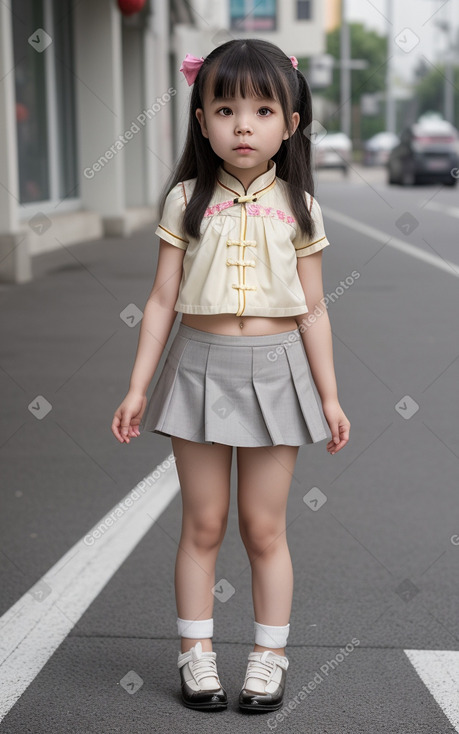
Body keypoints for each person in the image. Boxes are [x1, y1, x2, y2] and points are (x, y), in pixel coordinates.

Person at [111, 38, 350, 714]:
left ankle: (269, 657)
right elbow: (161, 300)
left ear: (290, 123)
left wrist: (329, 397)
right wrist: (136, 386)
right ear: (200, 119)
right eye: (224, 108)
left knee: (263, 527)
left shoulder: (301, 204)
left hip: (279, 370)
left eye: (262, 109)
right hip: (198, 366)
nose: (242, 125)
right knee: (204, 522)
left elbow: (313, 310)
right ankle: (196, 654)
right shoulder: (184, 199)